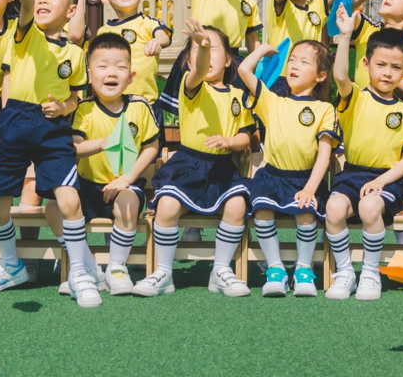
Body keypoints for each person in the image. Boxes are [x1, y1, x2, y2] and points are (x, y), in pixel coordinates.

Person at [0, 0, 102, 307]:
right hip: (15, 120)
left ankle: (79, 272)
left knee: (69, 201)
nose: (43, 0)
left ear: (71, 10)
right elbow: (28, 6)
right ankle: (11, 265)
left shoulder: (75, 53)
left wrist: (63, 107)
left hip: (53, 129)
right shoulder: (25, 33)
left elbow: (76, 96)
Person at [133, 19, 256, 298]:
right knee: (167, 206)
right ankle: (164, 271)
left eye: (213, 49)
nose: (206, 54)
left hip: (223, 168)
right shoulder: (192, 87)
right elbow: (200, 70)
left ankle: (220, 270)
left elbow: (246, 136)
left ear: (229, 60)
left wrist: (230, 142)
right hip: (188, 165)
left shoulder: (238, 96)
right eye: (199, 51)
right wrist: (203, 46)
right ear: (189, 63)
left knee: (237, 205)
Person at [324, 11, 403, 300]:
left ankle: (370, 272)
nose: (387, 73)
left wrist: (381, 182)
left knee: (368, 207)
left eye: (396, 67)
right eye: (381, 65)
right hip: (353, 174)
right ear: (366, 64)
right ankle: (345, 272)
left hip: (390, 180)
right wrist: (345, 36)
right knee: (334, 209)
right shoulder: (354, 98)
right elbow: (340, 75)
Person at [238, 39, 338, 297]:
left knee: (306, 214)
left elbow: (324, 155)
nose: (294, 65)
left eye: (304, 62)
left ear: (321, 75)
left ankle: (304, 269)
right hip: (271, 177)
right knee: (262, 212)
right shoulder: (271, 101)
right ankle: (276, 270)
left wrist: (310, 189)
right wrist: (262, 50)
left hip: (305, 180)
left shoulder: (325, 109)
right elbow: (244, 70)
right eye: (292, 60)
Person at [67, 33, 161, 296]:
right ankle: (87, 266)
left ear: (131, 76)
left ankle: (117, 266)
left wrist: (126, 180)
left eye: (120, 67)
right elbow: (75, 148)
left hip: (124, 186)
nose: (111, 73)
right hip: (88, 187)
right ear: (89, 75)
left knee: (128, 202)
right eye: (102, 66)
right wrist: (102, 143)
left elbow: (151, 147)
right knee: (55, 208)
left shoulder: (139, 107)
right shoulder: (83, 109)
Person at [71, 0, 171, 112]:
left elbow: (164, 37)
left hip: (145, 104)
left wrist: (157, 42)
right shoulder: (103, 32)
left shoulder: (148, 22)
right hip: (111, 104)